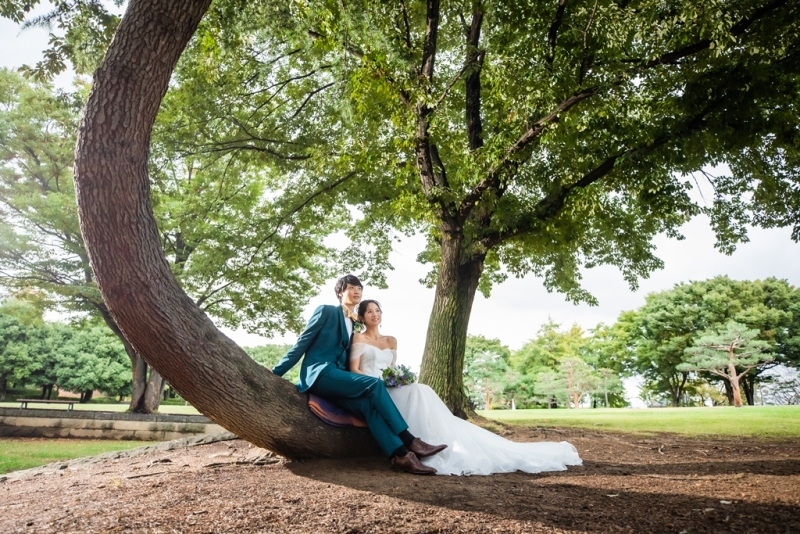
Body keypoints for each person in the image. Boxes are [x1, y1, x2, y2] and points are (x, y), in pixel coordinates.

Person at [349, 299, 583, 476]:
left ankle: (426, 442)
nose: (375, 314)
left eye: (378, 311)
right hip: (373, 387)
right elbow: (355, 370)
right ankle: (412, 445)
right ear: (362, 316)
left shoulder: (391, 340)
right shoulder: (358, 339)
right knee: (419, 392)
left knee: (421, 389)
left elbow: (393, 368)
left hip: (391, 385)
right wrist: (377, 383)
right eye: (369, 311)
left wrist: (399, 378)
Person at [272, 274, 447, 475]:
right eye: (351, 287)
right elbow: (301, 343)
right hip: (320, 373)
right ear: (340, 292)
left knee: (367, 406)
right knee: (373, 384)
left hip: (338, 378)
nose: (357, 291)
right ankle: (410, 440)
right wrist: (276, 373)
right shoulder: (326, 311)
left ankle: (401, 456)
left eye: (359, 288)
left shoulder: (353, 324)